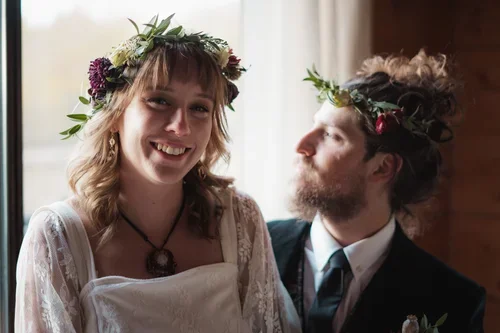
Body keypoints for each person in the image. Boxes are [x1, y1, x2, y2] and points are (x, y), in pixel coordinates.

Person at [15, 14, 300, 333]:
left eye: (199, 107)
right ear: (115, 115)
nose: (181, 126)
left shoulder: (240, 219)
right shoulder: (57, 236)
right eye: (159, 101)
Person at [268, 50, 486, 333]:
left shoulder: (454, 301)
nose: (302, 145)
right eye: (314, 125)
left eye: (332, 135)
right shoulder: (253, 246)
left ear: (383, 168)